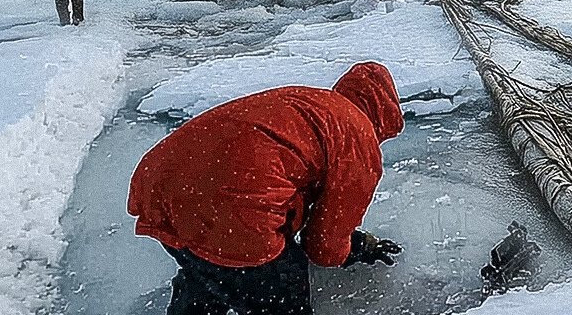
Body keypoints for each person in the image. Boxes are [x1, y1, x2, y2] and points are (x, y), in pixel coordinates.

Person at [127, 62, 405, 315]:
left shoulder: (311, 102)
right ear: (386, 114)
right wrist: (353, 249)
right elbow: (323, 245)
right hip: (230, 206)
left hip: (159, 182)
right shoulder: (358, 135)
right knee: (278, 284)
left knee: (211, 269)